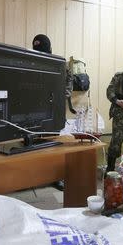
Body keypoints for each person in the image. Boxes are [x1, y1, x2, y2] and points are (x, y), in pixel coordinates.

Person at [32, 34, 73, 191]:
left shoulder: (60, 64)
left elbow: (68, 86)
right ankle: (35, 175)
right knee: (34, 142)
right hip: (34, 109)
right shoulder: (30, 60)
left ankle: (57, 177)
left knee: (54, 142)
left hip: (54, 109)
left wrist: (59, 96)